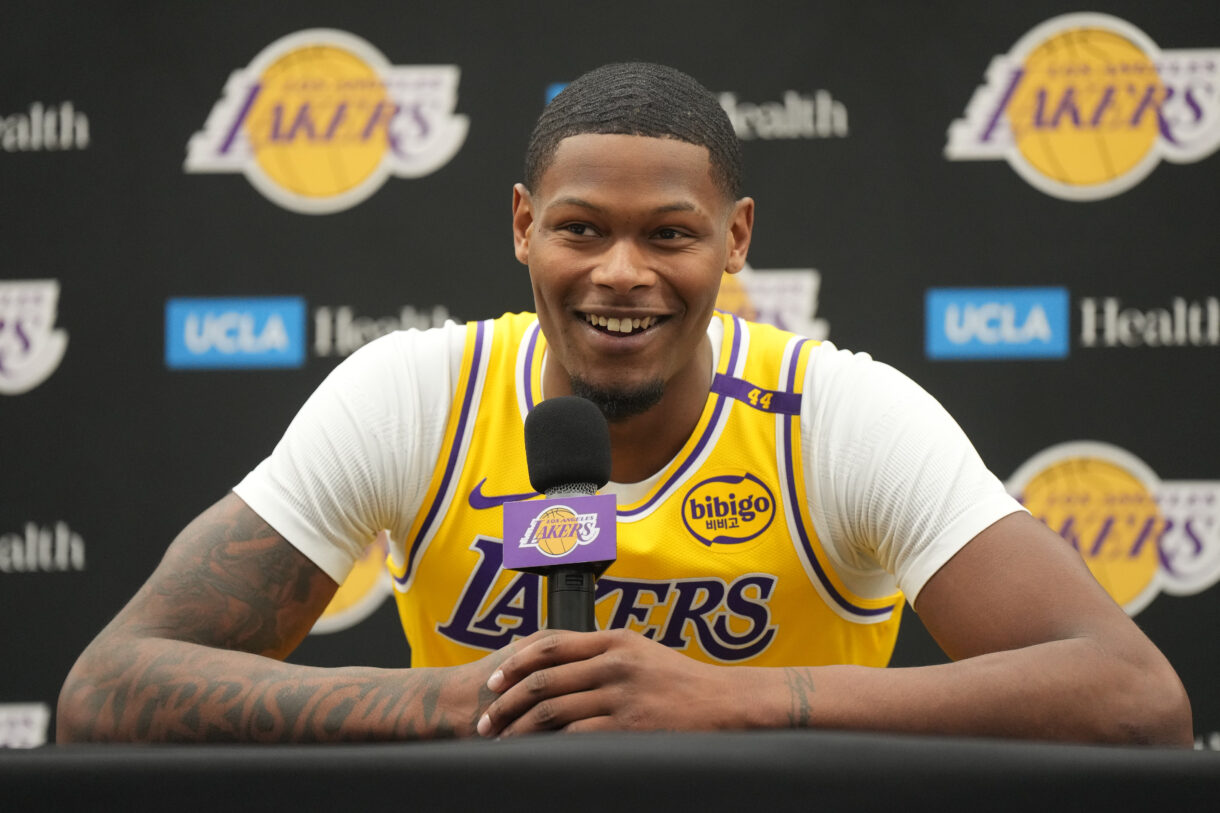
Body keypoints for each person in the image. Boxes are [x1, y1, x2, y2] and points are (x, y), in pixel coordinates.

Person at [57, 62, 1191, 745]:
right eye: (579, 229)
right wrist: (452, 705)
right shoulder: (416, 394)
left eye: (669, 234)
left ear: (735, 238)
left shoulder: (835, 414)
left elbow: (1134, 696)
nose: (618, 274)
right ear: (520, 226)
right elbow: (108, 688)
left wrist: (744, 701)